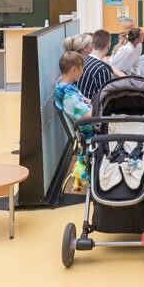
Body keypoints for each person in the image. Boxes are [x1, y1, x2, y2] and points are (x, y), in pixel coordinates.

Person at [54, 51, 93, 192]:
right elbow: (91, 114)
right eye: (82, 69)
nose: (83, 72)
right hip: (90, 129)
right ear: (74, 70)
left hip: (85, 124)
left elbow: (84, 101)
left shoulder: (62, 84)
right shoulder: (68, 95)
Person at [76, 29, 115, 100]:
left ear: (93, 44)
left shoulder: (84, 60)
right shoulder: (102, 69)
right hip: (91, 108)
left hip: (80, 104)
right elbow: (105, 99)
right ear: (109, 46)